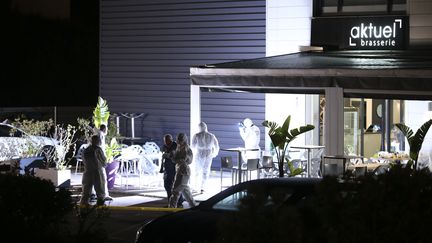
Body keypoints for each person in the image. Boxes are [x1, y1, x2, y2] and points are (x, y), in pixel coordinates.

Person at [168, 133, 197, 208]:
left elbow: (188, 160)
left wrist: (180, 159)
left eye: (180, 140)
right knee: (185, 190)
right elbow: (175, 160)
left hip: (184, 171)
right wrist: (171, 156)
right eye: (179, 139)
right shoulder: (179, 147)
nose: (179, 141)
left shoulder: (187, 149)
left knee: (176, 190)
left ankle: (171, 208)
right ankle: (194, 206)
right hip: (179, 170)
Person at [191, 122, 219, 193]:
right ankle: (199, 187)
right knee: (200, 171)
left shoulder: (198, 135)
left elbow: (193, 146)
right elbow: (216, 146)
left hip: (205, 154)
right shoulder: (209, 136)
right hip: (204, 154)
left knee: (202, 171)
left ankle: (201, 187)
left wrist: (214, 154)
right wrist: (214, 154)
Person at [80, 135, 108, 206]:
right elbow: (103, 160)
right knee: (100, 190)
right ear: (97, 141)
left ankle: (83, 208)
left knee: (86, 191)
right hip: (97, 171)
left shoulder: (86, 150)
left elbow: (84, 161)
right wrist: (104, 165)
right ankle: (100, 208)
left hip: (87, 172)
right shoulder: (98, 150)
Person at [160, 134, 184, 207]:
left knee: (176, 186)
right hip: (167, 169)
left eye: (168, 140)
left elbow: (173, 155)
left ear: (171, 139)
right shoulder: (165, 146)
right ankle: (171, 202)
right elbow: (162, 155)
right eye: (165, 141)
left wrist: (167, 155)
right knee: (167, 185)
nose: (166, 142)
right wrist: (161, 168)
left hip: (174, 169)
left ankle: (179, 201)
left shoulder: (175, 145)